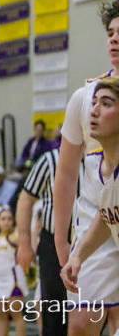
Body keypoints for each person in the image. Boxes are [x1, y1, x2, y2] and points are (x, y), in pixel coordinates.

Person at [53, 0, 119, 335]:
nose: (114, 40)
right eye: (110, 33)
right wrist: (62, 240)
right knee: (81, 323)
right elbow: (65, 175)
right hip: (101, 221)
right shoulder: (87, 97)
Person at [62, 77, 119, 321]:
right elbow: (107, 217)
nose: (94, 110)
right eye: (94, 102)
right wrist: (78, 256)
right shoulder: (103, 169)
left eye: (106, 103)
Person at [16, 146, 64, 336]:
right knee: (52, 310)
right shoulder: (49, 160)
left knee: (89, 313)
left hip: (90, 245)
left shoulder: (99, 157)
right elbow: (25, 200)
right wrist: (24, 243)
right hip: (51, 243)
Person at [0, 208, 26, 336]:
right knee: (1, 315)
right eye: (3, 219)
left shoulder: (16, 236)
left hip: (13, 280)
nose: (6, 222)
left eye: (9, 219)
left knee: (16, 315)